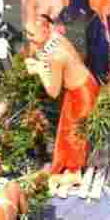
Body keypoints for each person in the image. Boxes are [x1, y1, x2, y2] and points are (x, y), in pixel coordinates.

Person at [25, 16, 100, 180]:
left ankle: (74, 171)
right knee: (66, 130)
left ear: (45, 30)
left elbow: (53, 92)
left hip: (82, 93)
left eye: (31, 34)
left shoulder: (55, 55)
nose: (28, 38)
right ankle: (69, 166)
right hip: (82, 85)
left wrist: (39, 69)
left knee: (75, 135)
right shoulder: (55, 37)